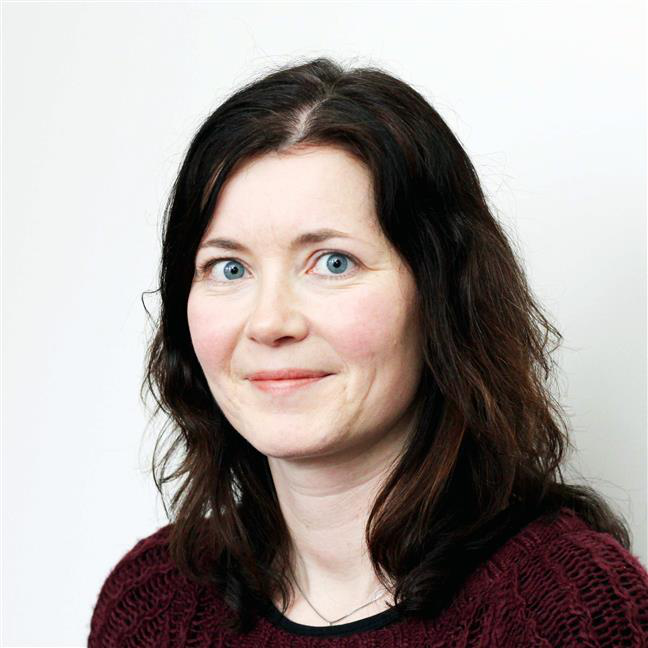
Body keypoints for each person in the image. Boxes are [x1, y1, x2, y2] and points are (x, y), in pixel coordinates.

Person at [87, 57, 648, 647]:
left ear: (440, 295)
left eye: (333, 263)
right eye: (229, 268)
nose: (270, 322)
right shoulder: (151, 604)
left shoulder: (575, 613)